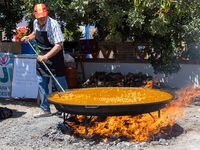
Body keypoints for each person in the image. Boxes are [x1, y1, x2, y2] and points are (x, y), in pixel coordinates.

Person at [22, 3, 68, 118]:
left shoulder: (53, 24)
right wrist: (28, 37)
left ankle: (66, 109)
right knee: (42, 83)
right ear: (35, 16)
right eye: (39, 18)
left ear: (46, 14)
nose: (41, 20)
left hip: (55, 57)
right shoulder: (35, 22)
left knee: (60, 84)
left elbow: (59, 45)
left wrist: (46, 56)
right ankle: (45, 110)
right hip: (41, 57)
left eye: (43, 17)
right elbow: (35, 33)